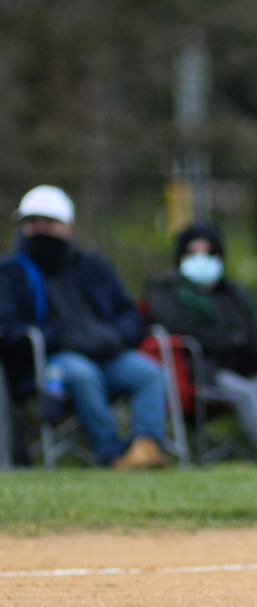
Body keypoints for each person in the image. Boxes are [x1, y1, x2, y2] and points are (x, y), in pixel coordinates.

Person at [0, 185, 173, 469]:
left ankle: (145, 448)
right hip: (53, 359)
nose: (40, 230)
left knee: (149, 374)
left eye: (49, 223)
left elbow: (128, 313)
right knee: (83, 374)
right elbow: (11, 328)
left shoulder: (93, 265)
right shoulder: (10, 272)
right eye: (32, 223)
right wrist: (61, 338)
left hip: (106, 351)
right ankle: (114, 456)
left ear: (68, 226)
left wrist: (115, 336)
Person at [146, 221, 257, 471]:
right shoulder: (166, 288)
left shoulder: (234, 292)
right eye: (193, 253)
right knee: (246, 393)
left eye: (209, 253)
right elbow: (178, 326)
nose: (202, 259)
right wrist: (229, 341)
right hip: (203, 370)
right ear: (180, 256)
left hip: (245, 366)